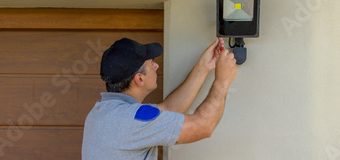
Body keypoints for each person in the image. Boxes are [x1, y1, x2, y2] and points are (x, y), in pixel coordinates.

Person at [82, 37, 237, 160]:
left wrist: (204, 67)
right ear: (140, 79)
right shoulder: (131, 120)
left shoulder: (102, 112)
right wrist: (222, 81)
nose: (156, 66)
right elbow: (203, 126)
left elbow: (170, 109)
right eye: (151, 63)